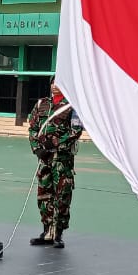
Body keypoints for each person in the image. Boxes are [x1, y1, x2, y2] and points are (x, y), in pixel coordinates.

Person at [27, 80, 85, 249]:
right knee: (44, 193)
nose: (54, 85)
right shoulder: (42, 104)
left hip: (62, 159)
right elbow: (32, 127)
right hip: (44, 158)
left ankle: (58, 234)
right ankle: (46, 232)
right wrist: (37, 148)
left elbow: (76, 131)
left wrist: (56, 144)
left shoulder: (72, 106)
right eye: (52, 82)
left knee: (62, 195)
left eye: (59, 82)